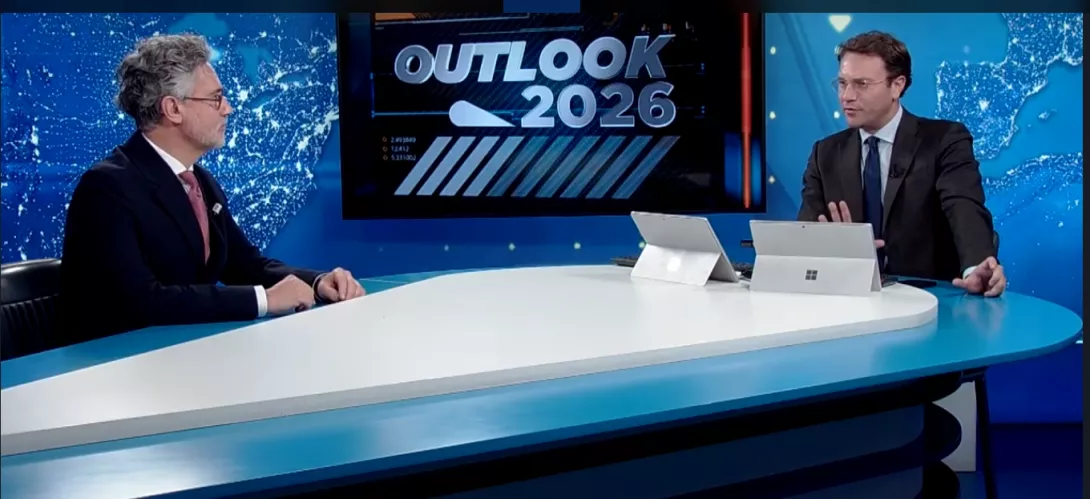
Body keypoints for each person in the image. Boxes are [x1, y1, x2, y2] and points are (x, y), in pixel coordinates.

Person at [60, 34, 365, 342]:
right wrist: (263, 301)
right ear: (173, 109)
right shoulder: (107, 188)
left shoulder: (200, 182)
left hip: (181, 353)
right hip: (118, 361)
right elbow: (141, 301)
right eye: (215, 99)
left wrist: (317, 282)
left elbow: (244, 265)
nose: (227, 109)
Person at [797, 31, 1006, 297]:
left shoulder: (944, 141)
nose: (846, 96)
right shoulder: (825, 153)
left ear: (897, 85)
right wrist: (830, 249)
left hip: (931, 299)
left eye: (861, 84)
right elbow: (805, 235)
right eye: (842, 83)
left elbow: (964, 208)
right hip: (850, 299)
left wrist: (976, 267)